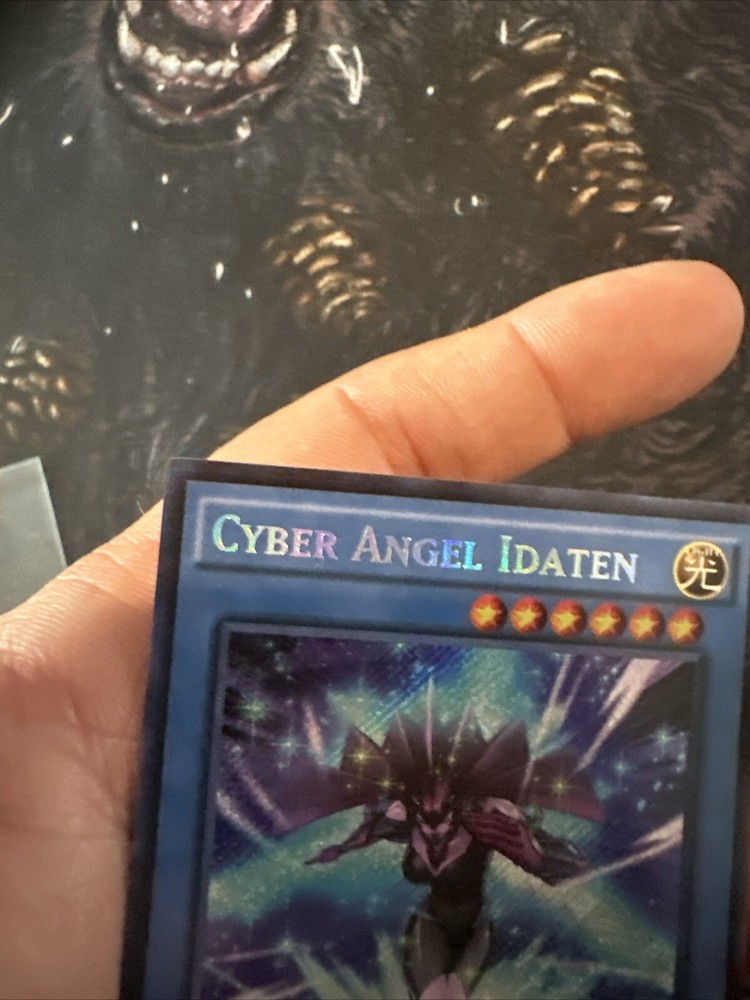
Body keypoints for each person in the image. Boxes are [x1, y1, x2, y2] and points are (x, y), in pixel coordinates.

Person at [0, 260, 743, 1000]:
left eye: (440, 801)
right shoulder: (404, 810)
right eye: (427, 801)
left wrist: (548, 862)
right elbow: (363, 832)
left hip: (469, 916)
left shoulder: (487, 814)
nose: (433, 811)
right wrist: (334, 852)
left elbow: (542, 851)